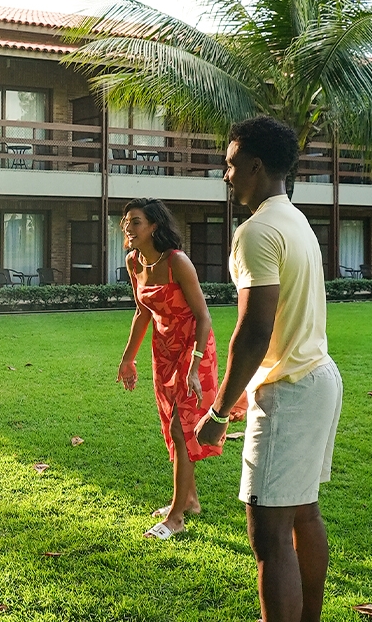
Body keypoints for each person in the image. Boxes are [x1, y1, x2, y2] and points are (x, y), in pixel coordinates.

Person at [195, 116, 343, 622]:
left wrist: (217, 409)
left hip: (291, 391)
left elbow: (255, 330)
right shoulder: (295, 219)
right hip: (319, 376)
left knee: (268, 533)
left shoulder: (256, 231)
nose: (226, 174)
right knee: (302, 511)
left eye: (232, 164)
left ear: (255, 166)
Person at [117, 197, 244, 540]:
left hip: (195, 349)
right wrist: (128, 358)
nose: (128, 226)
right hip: (164, 351)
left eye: (136, 221)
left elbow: (204, 317)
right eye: (126, 221)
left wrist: (195, 364)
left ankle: (175, 517)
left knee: (181, 428)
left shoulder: (177, 262)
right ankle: (190, 499)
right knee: (171, 424)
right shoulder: (133, 262)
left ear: (154, 227)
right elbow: (142, 312)